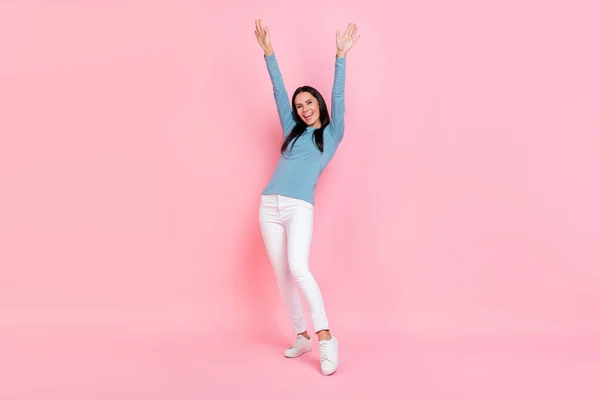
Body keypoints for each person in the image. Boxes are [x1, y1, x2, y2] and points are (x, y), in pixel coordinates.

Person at [253, 19, 359, 376]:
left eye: (309, 102)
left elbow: (340, 97)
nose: (303, 108)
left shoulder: (331, 134)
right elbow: (279, 92)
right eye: (299, 105)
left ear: (319, 105)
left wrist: (340, 57)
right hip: (269, 206)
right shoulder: (292, 131)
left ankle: (325, 337)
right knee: (282, 274)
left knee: (298, 267)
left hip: (299, 208)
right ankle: (301, 335)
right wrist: (268, 52)